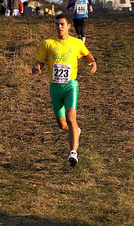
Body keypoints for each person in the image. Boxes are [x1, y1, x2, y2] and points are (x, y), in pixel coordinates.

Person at [31, 14, 97, 166]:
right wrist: (37, 68)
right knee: (62, 125)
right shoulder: (48, 43)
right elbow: (39, 62)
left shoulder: (77, 43)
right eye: (57, 25)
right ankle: (76, 132)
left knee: (71, 117)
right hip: (55, 88)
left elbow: (87, 55)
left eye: (62, 24)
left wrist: (93, 63)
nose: (59, 27)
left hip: (70, 86)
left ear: (68, 26)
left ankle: (73, 153)